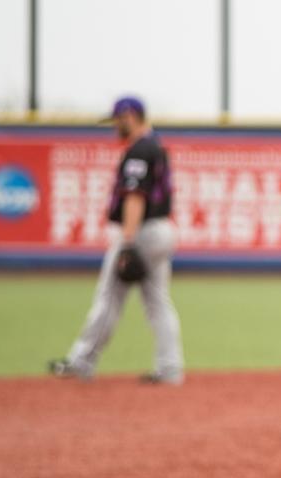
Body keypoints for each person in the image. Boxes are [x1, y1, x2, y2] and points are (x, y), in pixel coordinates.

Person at [48, 95, 183, 385]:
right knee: (158, 302)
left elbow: (135, 196)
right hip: (161, 230)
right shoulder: (155, 145)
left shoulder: (139, 150)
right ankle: (170, 368)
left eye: (118, 120)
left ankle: (82, 361)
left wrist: (128, 242)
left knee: (109, 298)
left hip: (141, 232)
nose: (115, 126)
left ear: (130, 116)